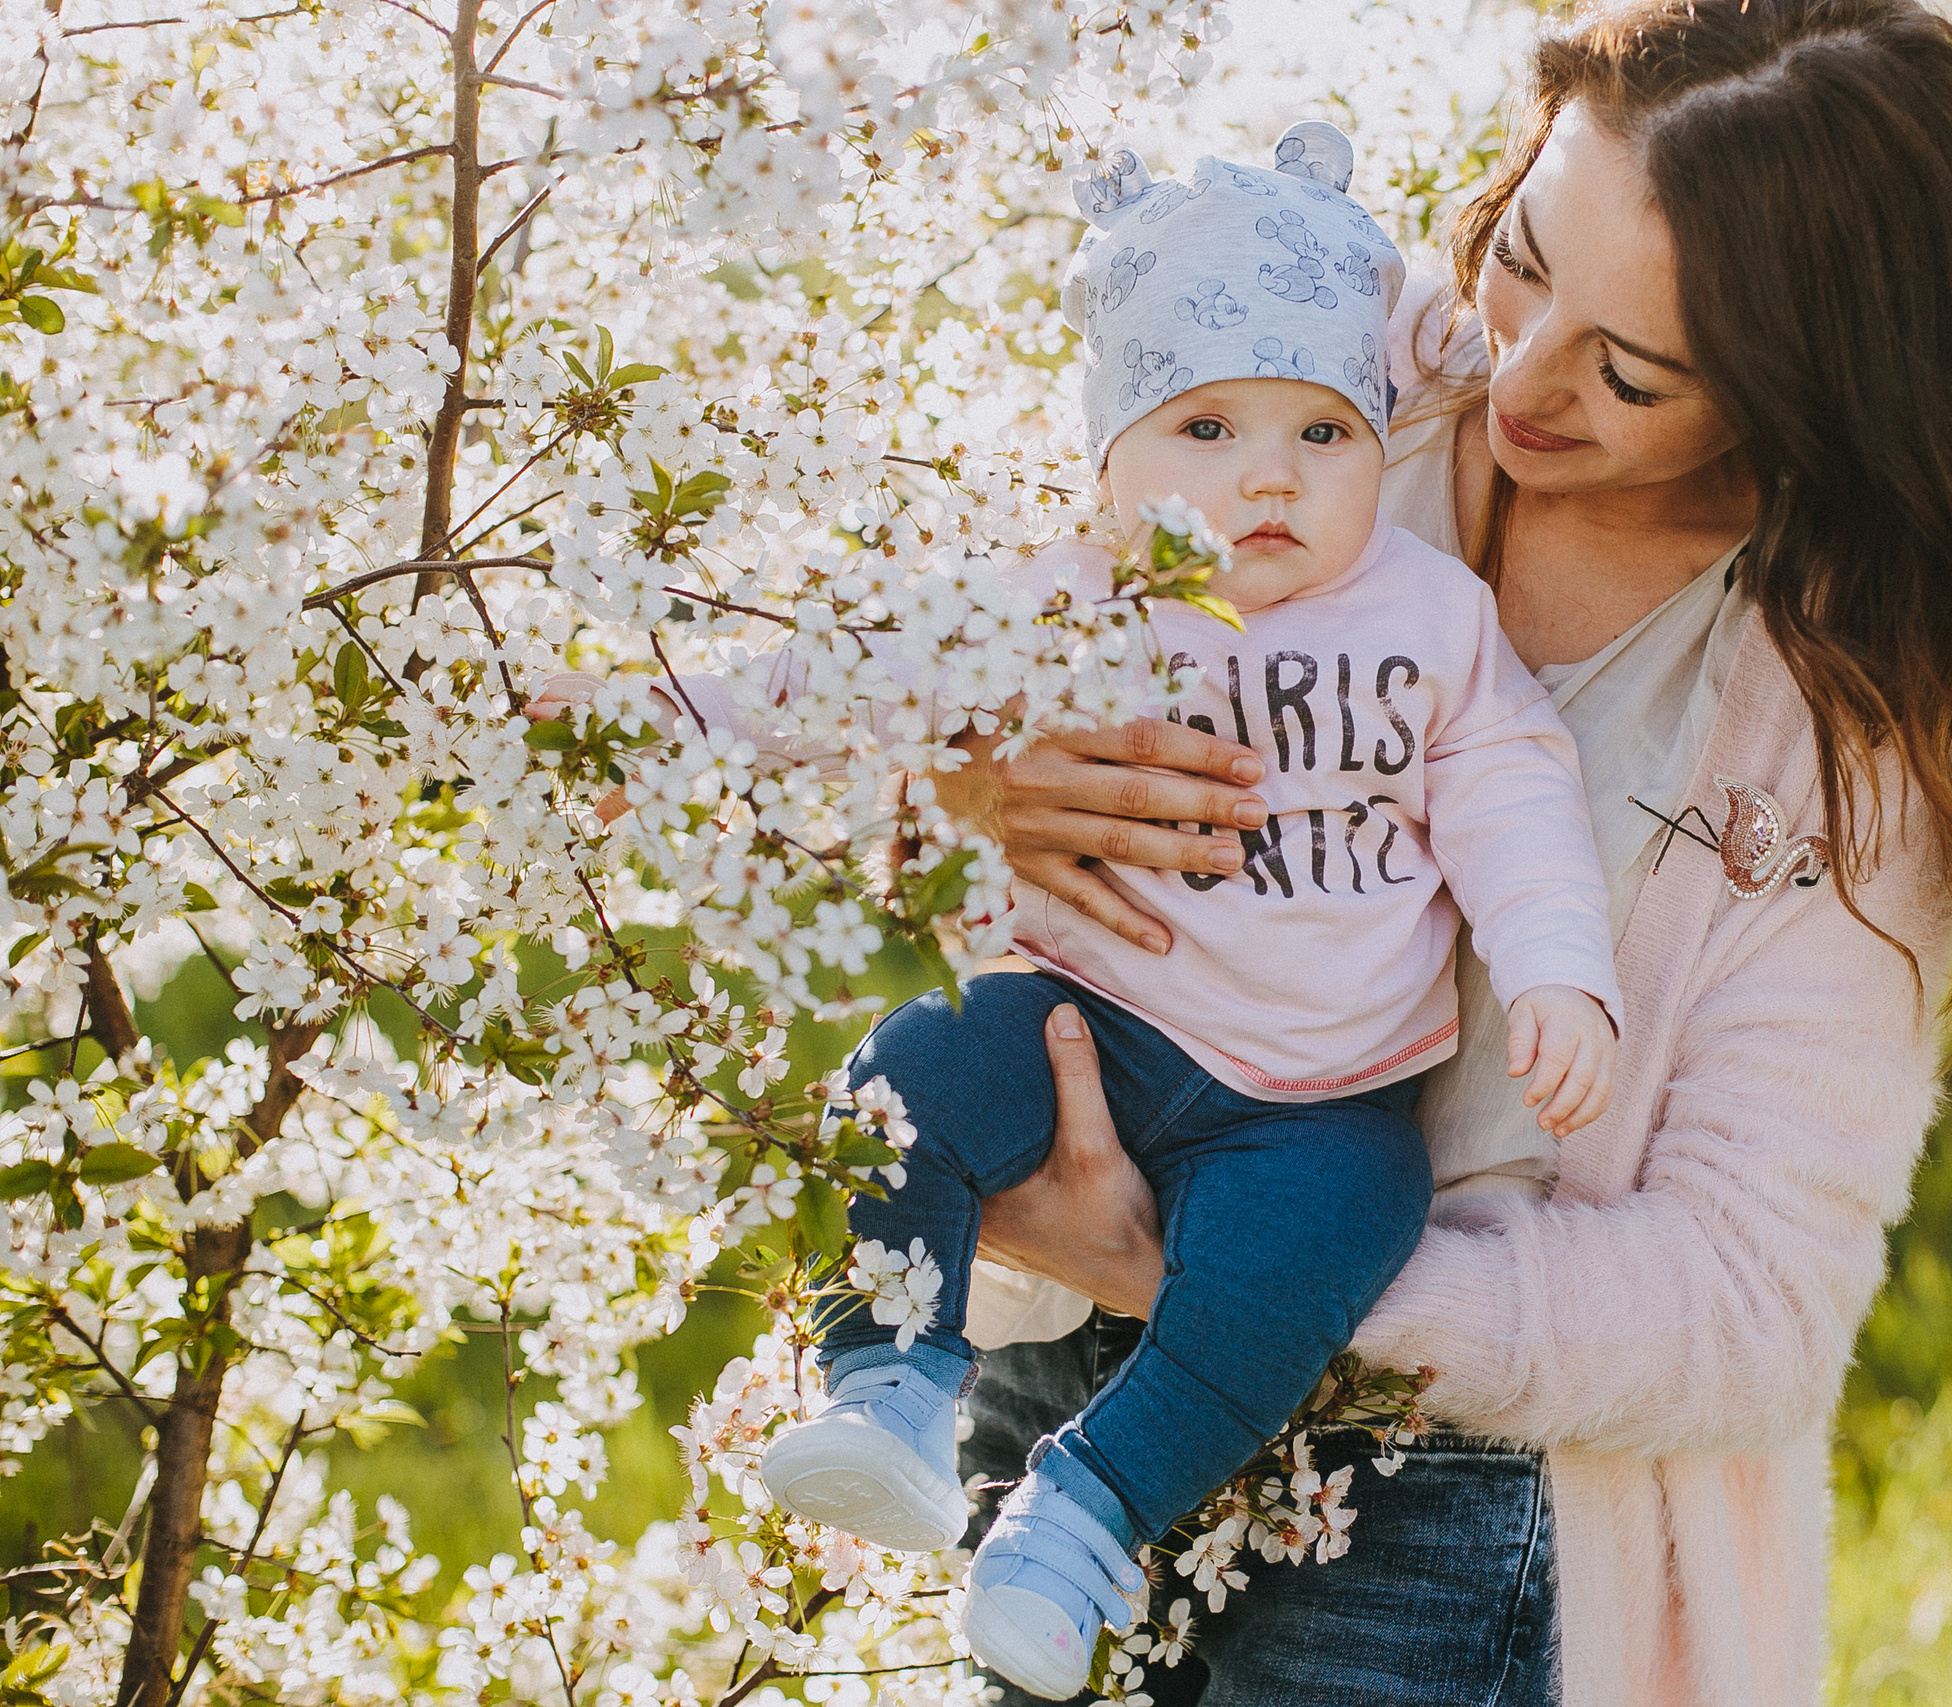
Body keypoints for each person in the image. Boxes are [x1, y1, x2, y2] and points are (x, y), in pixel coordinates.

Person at [940, 3, 1952, 1704]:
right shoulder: (1316, 369)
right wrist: (973, 778)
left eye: (1631, 374)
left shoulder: (1846, 720)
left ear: (1809, 391)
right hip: (1053, 1370)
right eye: (1522, 260)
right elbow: (922, 646)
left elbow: (1747, 1306)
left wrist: (1220, 1280)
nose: (1516, 380)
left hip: (1433, 1508)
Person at [545, 123, 1624, 1701]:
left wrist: (1557, 977)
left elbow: (1517, 799)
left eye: (1325, 432)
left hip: (1320, 1102)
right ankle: (888, 1383)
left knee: (1303, 1276)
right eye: (1206, 427)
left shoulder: (1429, 619)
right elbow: (854, 671)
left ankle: (1084, 1518)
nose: (1271, 475)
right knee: (906, 1076)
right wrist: (653, 728)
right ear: (1109, 463)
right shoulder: (1067, 600)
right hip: (1089, 1018)